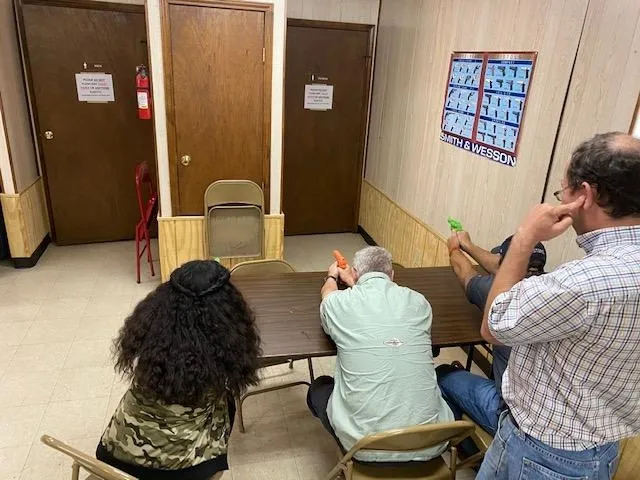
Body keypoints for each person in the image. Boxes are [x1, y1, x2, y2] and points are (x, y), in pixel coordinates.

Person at [477, 132, 640, 479]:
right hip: (600, 449)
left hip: (545, 457)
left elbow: (493, 326)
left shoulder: (581, 283)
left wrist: (524, 237)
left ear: (585, 194)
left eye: (562, 189)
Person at [96, 260, 261, 480]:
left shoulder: (153, 336)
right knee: (227, 404)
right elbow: (236, 378)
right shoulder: (223, 351)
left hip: (114, 456)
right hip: (179, 473)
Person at [306, 246, 455, 462]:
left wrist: (332, 276)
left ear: (355, 273)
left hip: (365, 447)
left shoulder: (340, 303)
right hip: (431, 443)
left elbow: (327, 295)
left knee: (319, 388)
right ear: (392, 274)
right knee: (442, 376)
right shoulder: (420, 302)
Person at [435, 233, 546, 435]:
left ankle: (460, 444)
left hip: (511, 418)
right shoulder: (551, 289)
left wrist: (454, 249)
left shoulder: (497, 293)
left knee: (442, 374)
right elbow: (501, 266)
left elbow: (465, 273)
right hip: (545, 414)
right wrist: (469, 245)